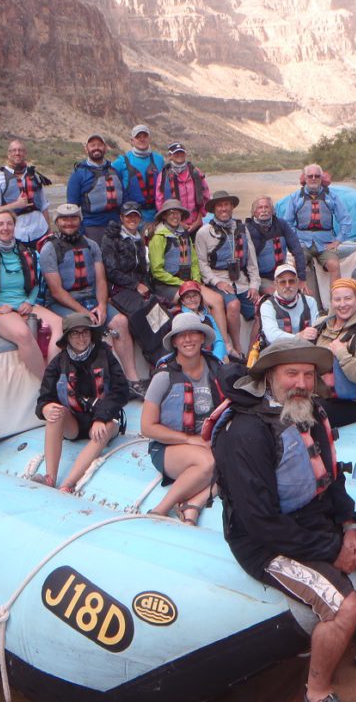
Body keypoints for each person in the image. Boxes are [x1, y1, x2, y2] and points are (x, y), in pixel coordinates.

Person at [212, 338, 356, 702]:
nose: (300, 383)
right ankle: (317, 691)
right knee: (344, 606)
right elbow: (260, 520)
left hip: (313, 520)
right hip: (262, 542)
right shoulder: (246, 433)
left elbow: (331, 479)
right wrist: (332, 550)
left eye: (308, 375)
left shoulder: (308, 412)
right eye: (291, 373)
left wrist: (349, 526)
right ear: (269, 377)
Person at [40, 204, 142, 393]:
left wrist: (102, 306)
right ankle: (77, 386)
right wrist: (84, 312)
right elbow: (56, 291)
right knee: (82, 325)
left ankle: (132, 380)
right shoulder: (49, 249)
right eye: (64, 219)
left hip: (91, 298)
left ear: (80, 220)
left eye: (73, 218)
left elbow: (101, 280)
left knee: (120, 322)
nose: (69, 222)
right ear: (57, 222)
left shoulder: (91, 245)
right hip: (64, 302)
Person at [140, 313, 226, 525]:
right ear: (175, 342)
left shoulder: (217, 369)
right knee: (209, 462)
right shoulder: (164, 377)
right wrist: (189, 440)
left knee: (241, 461)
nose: (188, 340)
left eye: (193, 333)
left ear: (201, 337)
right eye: (181, 336)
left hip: (207, 441)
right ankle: (161, 508)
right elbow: (147, 427)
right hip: (169, 447)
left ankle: (194, 504)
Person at [0, 208, 63, 379]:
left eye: (9, 223)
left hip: (23, 304)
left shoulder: (24, 250)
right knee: (24, 333)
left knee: (60, 324)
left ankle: (53, 375)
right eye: (0, 224)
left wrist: (29, 301)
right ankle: (46, 386)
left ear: (15, 226)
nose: (5, 228)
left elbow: (35, 283)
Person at [33, 314, 129, 493]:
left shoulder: (105, 355)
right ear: (67, 338)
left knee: (107, 428)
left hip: (105, 421)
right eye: (75, 333)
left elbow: (121, 391)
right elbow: (44, 398)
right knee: (54, 412)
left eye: (85, 332)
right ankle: (50, 477)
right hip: (75, 424)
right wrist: (45, 408)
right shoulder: (58, 363)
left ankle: (67, 484)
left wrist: (101, 418)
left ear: (91, 334)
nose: (81, 337)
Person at [147, 198, 229, 337]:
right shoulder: (158, 237)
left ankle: (224, 343)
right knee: (195, 301)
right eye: (171, 213)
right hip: (166, 284)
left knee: (217, 300)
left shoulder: (184, 234)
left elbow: (194, 261)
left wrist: (196, 280)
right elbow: (157, 271)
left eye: (178, 213)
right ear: (164, 216)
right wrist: (183, 284)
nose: (175, 216)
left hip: (188, 282)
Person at [195, 190, 260, 360]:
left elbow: (252, 260)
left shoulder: (242, 229)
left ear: (232, 207)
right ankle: (237, 349)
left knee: (262, 308)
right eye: (220, 205)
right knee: (233, 305)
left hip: (242, 280)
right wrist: (217, 282)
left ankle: (254, 348)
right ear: (214, 209)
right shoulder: (203, 233)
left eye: (227, 205)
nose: (224, 209)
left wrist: (254, 285)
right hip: (219, 279)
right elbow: (202, 264)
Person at [315, 278, 356, 427]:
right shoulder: (320, 325)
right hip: (321, 397)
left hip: (354, 404)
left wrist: (343, 355)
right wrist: (300, 338)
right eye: (337, 299)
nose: (342, 304)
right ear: (331, 302)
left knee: (310, 414)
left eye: (348, 298)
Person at [282, 164, 351, 285]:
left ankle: (335, 301)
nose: (313, 178)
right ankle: (301, 300)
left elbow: (346, 220)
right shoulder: (295, 197)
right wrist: (295, 240)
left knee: (334, 265)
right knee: (298, 264)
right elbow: (287, 223)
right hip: (302, 243)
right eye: (310, 176)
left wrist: (337, 241)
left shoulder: (332, 196)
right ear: (305, 178)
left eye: (317, 176)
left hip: (325, 244)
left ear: (321, 177)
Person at [0, 139, 51, 247]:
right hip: (16, 234)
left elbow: (44, 206)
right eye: (14, 150)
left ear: (25, 153)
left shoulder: (35, 176)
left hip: (40, 230)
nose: (17, 153)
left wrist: (49, 232)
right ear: (8, 154)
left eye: (20, 150)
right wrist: (15, 205)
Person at [67, 134, 125, 244]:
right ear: (86, 148)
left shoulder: (114, 170)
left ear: (105, 147)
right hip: (92, 228)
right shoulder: (78, 174)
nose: (96, 148)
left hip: (116, 225)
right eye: (92, 145)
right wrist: (79, 230)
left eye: (99, 145)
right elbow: (71, 207)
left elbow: (123, 197)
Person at [245, 195, 307, 294]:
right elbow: (245, 261)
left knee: (304, 292)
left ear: (272, 210)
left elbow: (297, 250)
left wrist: (302, 278)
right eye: (260, 207)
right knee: (278, 293)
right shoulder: (248, 230)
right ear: (254, 212)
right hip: (261, 277)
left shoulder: (281, 224)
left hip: (281, 273)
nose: (264, 210)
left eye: (267, 207)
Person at [101, 201, 152, 316]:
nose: (132, 219)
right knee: (143, 313)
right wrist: (136, 285)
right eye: (128, 216)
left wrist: (146, 286)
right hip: (118, 288)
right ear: (121, 218)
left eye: (136, 216)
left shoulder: (139, 239)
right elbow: (111, 272)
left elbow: (143, 270)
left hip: (139, 285)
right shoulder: (111, 238)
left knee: (158, 307)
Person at [256, 263, 320, 349]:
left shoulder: (310, 301)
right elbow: (271, 336)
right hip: (277, 354)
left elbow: (316, 330)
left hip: (305, 351)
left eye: (291, 281)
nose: (287, 285)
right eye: (282, 282)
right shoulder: (267, 306)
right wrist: (298, 337)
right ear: (275, 284)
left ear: (297, 282)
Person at [154, 143, 210, 235]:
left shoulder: (195, 172)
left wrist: (199, 220)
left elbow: (205, 196)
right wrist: (178, 223)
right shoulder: (164, 176)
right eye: (176, 153)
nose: (179, 155)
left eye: (182, 153)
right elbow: (160, 202)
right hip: (173, 225)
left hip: (196, 223)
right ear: (170, 156)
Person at [112, 124, 163, 224]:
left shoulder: (159, 160)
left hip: (156, 217)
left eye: (145, 136)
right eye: (138, 137)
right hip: (132, 218)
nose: (142, 139)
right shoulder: (121, 161)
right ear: (132, 140)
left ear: (149, 139)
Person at [173, 280, 228, 362]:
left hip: (212, 357)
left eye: (195, 295)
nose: (192, 299)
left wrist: (216, 359)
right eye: (188, 297)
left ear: (200, 297)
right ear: (182, 301)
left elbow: (218, 341)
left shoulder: (208, 317)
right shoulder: (180, 318)